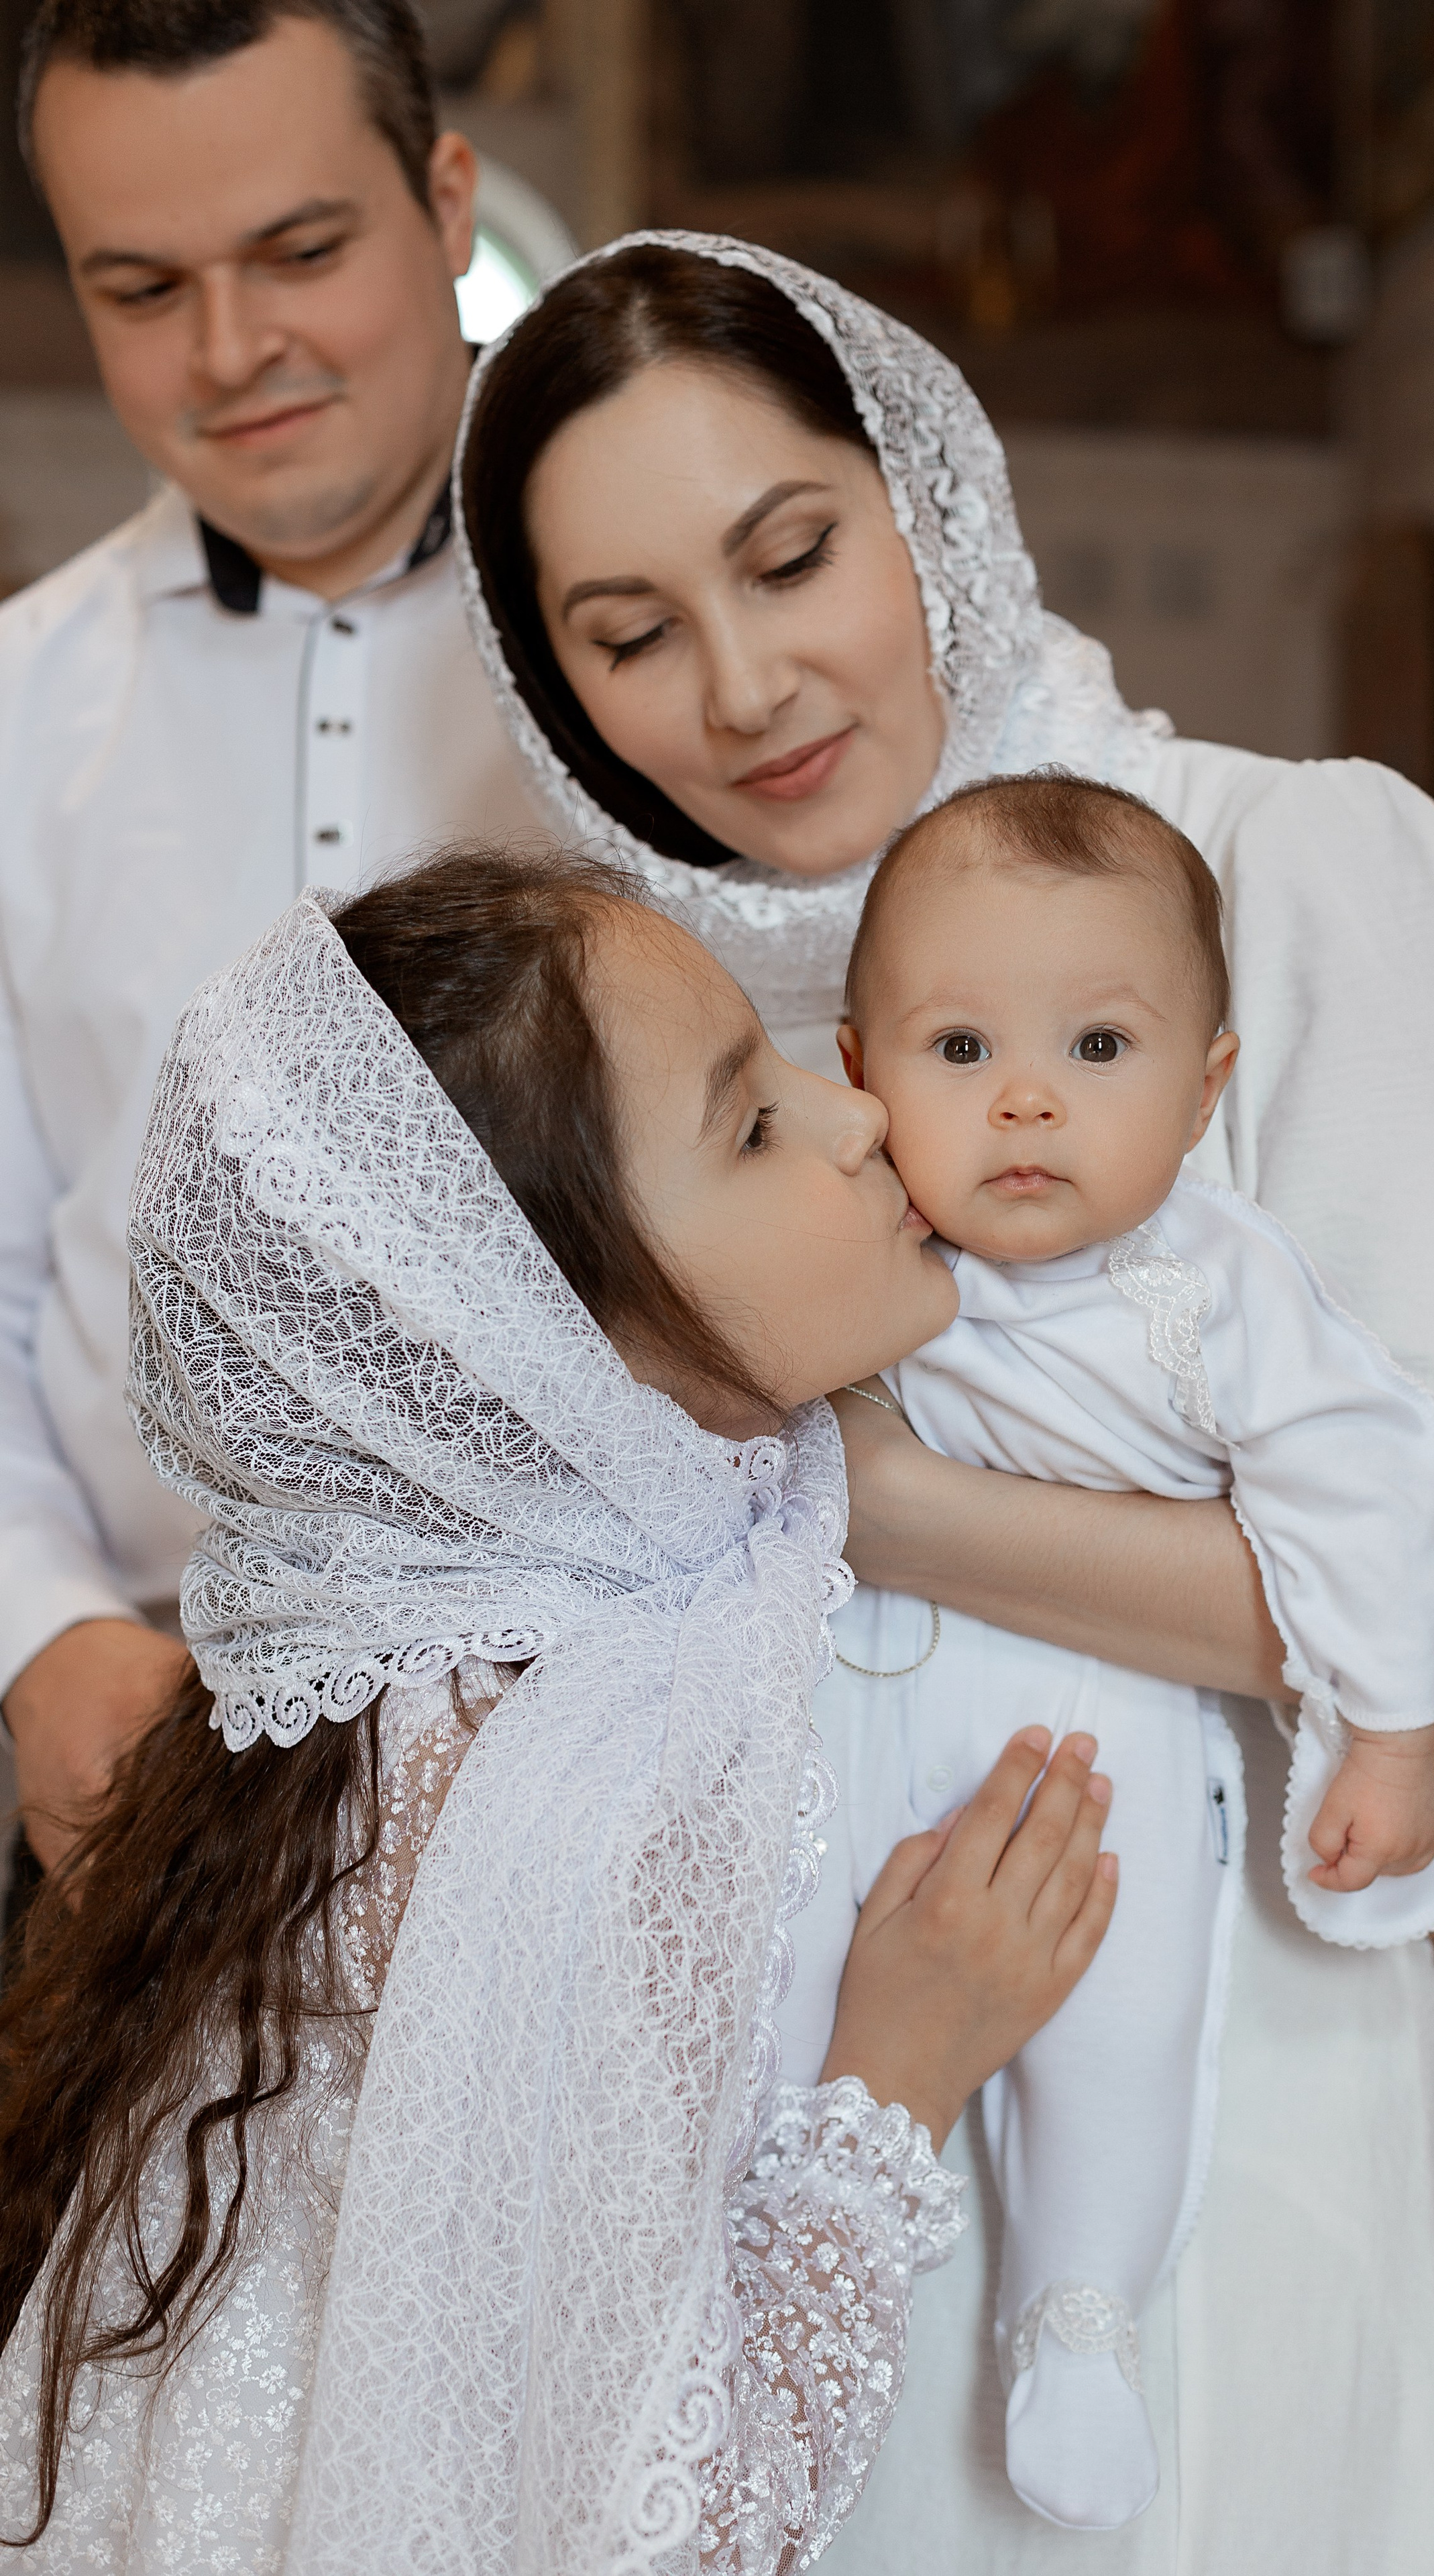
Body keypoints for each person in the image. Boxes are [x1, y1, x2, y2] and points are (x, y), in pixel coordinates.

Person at [454, 233, 1434, 2571]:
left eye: (794, 554)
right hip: (793, 2153)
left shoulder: (1297, 875)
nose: (749, 684)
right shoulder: (634, 1049)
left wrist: (877, 1510)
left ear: (931, 497)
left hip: (1236, 2121)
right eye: (630, 635)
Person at [0, 846, 1117, 2569]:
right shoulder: (553, 1801)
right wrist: (906, 2063)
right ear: (539, 1339)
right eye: (748, 1124)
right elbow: (671, 2524)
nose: (857, 1119)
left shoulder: (517, 1625)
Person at [779, 767, 1434, 2534]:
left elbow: (1372, 1493)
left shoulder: (1210, 1285)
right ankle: (789, 2316)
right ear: (860, 1082)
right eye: (958, 1052)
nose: (1026, 1099)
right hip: (846, 1742)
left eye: (1101, 1050)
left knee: (1126, 2022)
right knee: (801, 2019)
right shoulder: (858, 1244)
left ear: (1205, 1088)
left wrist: (1390, 1738)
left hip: (1100, 1750)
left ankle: (1074, 2317)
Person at [0, 0, 541, 1880]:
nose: (233, 353)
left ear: (444, 199)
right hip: (145, 1773)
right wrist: (36, 1628)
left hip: (611, 1761)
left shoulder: (661, 662)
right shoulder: (12, 709)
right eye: (141, 288)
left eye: (301, 253)